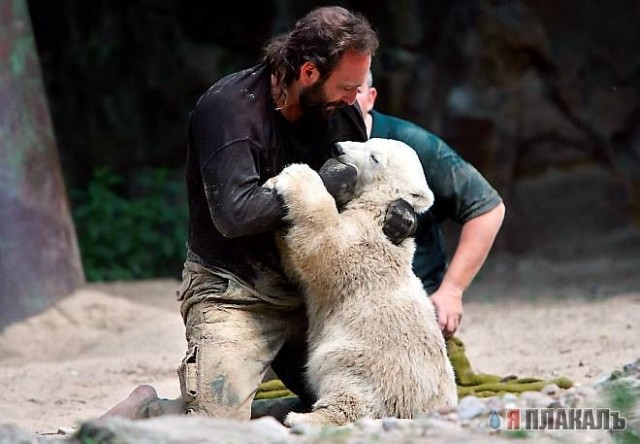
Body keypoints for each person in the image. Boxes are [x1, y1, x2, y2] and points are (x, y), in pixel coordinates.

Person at [103, 6, 417, 422]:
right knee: (214, 424)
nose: (354, 98)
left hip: (314, 293)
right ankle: (148, 411)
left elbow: (364, 196)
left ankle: (274, 418)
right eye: (347, 86)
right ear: (308, 73)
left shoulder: (340, 114)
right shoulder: (230, 110)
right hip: (235, 291)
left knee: (370, 401)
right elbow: (234, 215)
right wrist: (318, 191)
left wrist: (402, 216)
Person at [356, 70, 506, 338]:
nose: (344, 101)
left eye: (354, 91)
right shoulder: (312, 142)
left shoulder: (408, 143)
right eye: (338, 90)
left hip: (410, 305)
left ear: (371, 97)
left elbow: (486, 207)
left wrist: (451, 291)